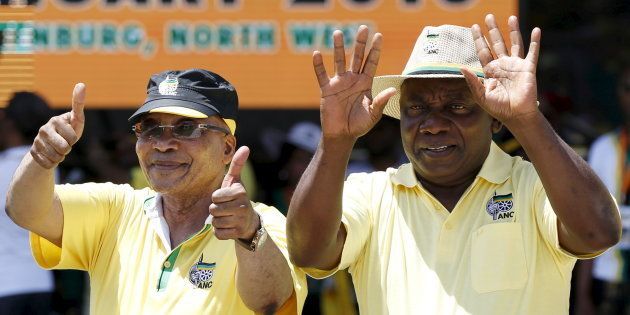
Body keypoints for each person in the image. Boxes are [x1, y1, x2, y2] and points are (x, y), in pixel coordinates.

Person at [286, 14, 621, 315]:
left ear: (494, 118)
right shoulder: (373, 195)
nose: (433, 124)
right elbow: (308, 253)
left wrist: (528, 120)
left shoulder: (535, 187)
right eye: (416, 108)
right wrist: (335, 142)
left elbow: (597, 233)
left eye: (456, 106)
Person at [5, 69, 307, 314]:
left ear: (227, 147)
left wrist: (249, 235)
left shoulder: (264, 224)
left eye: (186, 128)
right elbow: (26, 211)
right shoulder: (116, 210)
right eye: (149, 129)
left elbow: (271, 301)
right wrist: (40, 158)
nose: (163, 143)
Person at [575, 63, 630, 315]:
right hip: (607, 277)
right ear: (618, 94)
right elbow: (588, 223)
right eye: (628, 88)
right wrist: (582, 294)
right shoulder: (604, 147)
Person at [0, 92, 55, 315]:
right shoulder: (50, 167)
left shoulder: (4, 169)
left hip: (6, 285)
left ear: (9, 122)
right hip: (41, 283)